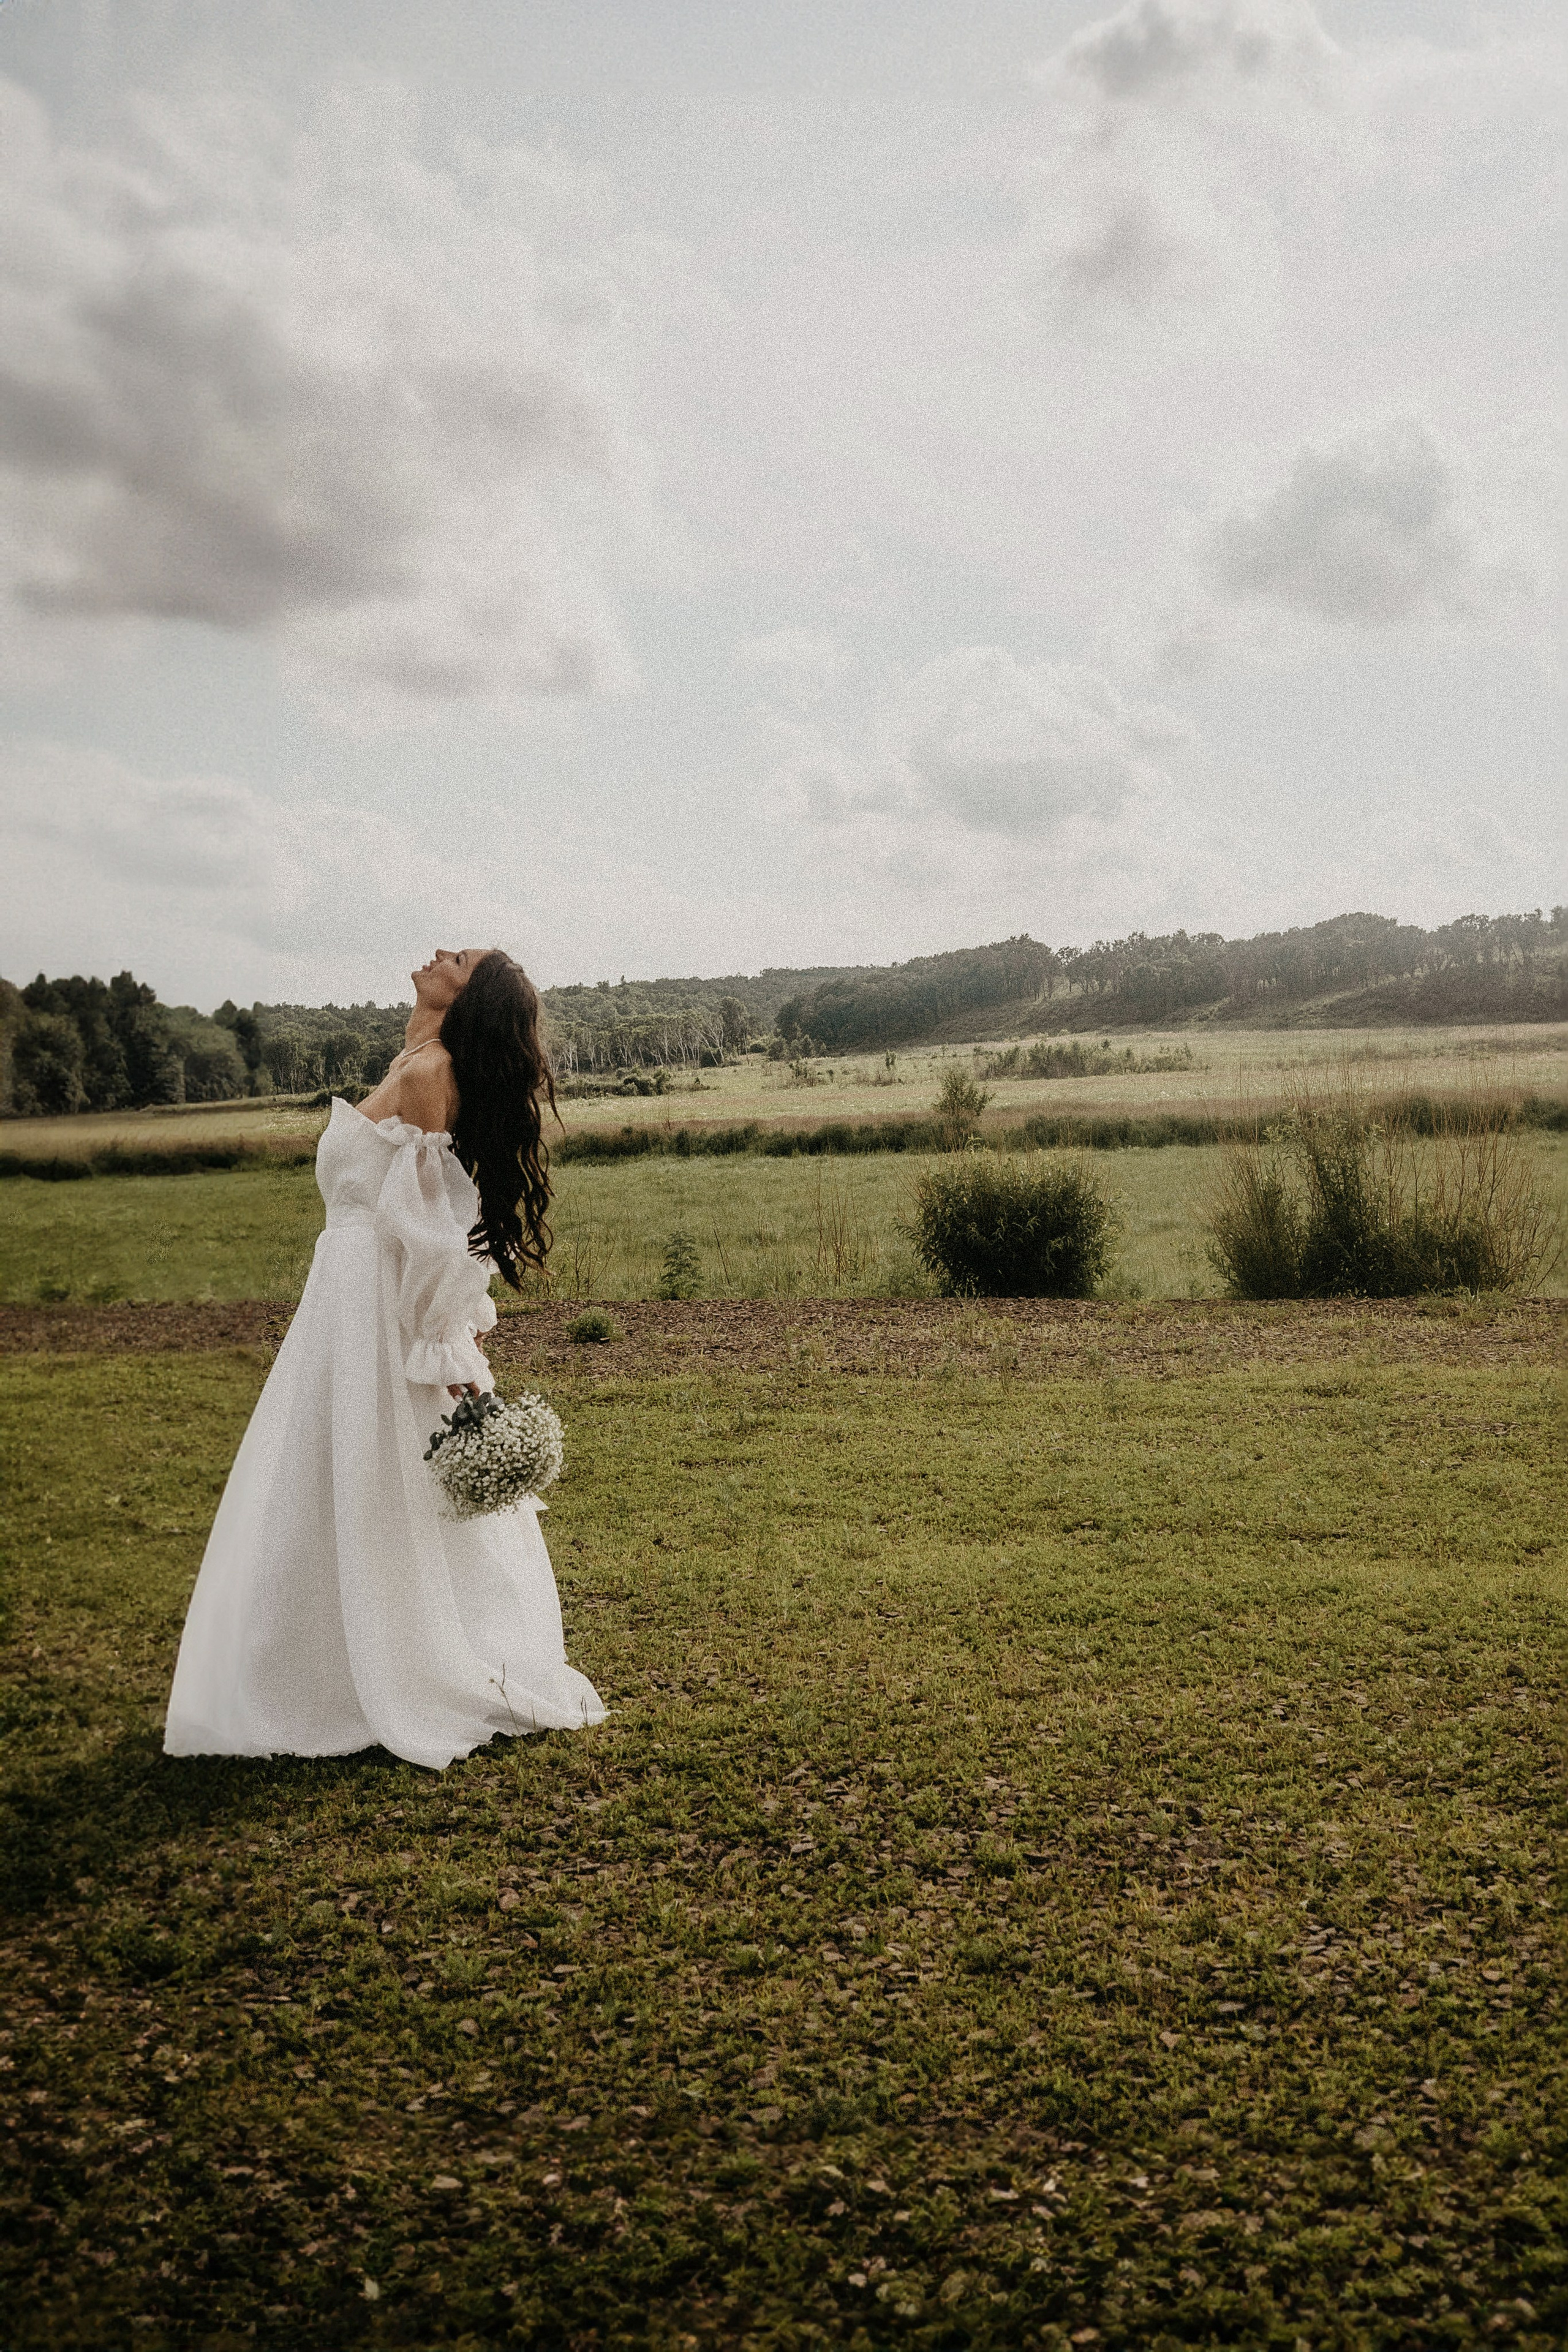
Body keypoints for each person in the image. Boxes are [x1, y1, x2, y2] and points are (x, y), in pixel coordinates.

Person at [164, 947, 605, 1769]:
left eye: (460, 958)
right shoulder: (413, 1058)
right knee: (332, 1470)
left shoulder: (431, 1071)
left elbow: (437, 1230)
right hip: (343, 1296)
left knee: (385, 1471)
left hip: (379, 1305)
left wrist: (447, 1341)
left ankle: (405, 1663)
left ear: (469, 995)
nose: (441, 953)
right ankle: (322, 1657)